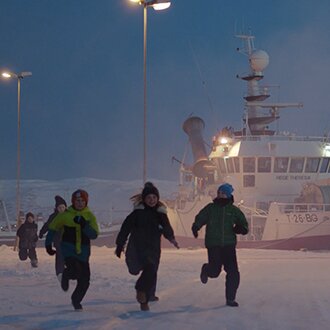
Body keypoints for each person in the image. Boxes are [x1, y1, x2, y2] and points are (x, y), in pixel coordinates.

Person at [115, 182, 179, 311]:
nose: (152, 200)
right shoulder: (137, 213)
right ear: (144, 199)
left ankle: (144, 295)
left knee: (151, 270)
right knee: (134, 270)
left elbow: (166, 228)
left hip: (152, 249)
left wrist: (172, 238)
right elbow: (125, 228)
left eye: (154, 198)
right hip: (136, 248)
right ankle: (146, 293)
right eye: (149, 198)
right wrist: (120, 244)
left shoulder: (160, 214)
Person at [191, 183, 249, 307]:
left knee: (233, 272)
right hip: (214, 244)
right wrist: (196, 226)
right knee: (215, 271)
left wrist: (241, 228)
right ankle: (206, 269)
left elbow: (243, 223)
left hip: (229, 245)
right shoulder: (211, 208)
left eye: (223, 193)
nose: (220, 195)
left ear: (228, 195)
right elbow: (201, 217)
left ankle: (230, 298)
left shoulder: (234, 210)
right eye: (219, 193)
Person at [45, 189, 99, 311]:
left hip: (84, 253)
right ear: (73, 202)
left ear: (86, 202)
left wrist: (84, 225)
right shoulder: (65, 215)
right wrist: (48, 244)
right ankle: (66, 274)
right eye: (77, 201)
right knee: (74, 269)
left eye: (82, 201)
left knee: (85, 280)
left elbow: (94, 235)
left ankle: (76, 300)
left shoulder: (90, 216)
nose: (80, 203)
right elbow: (52, 228)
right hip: (68, 250)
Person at [39, 195, 67, 280]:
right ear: (57, 208)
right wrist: (42, 232)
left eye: (63, 207)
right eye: (60, 207)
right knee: (60, 255)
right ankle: (60, 273)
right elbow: (47, 225)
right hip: (58, 239)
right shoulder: (53, 217)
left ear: (65, 207)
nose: (61, 209)